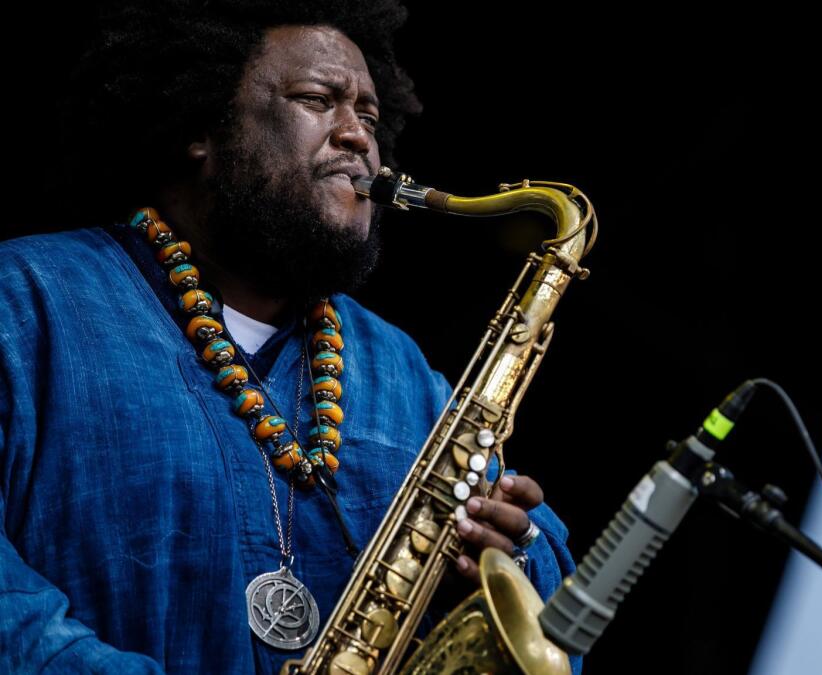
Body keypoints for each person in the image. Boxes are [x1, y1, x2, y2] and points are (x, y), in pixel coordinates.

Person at [0, 1, 581, 673]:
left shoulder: (400, 367)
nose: (358, 136)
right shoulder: (26, 297)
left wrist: (511, 552)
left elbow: (555, 613)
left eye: (368, 115)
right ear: (201, 126)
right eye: (318, 100)